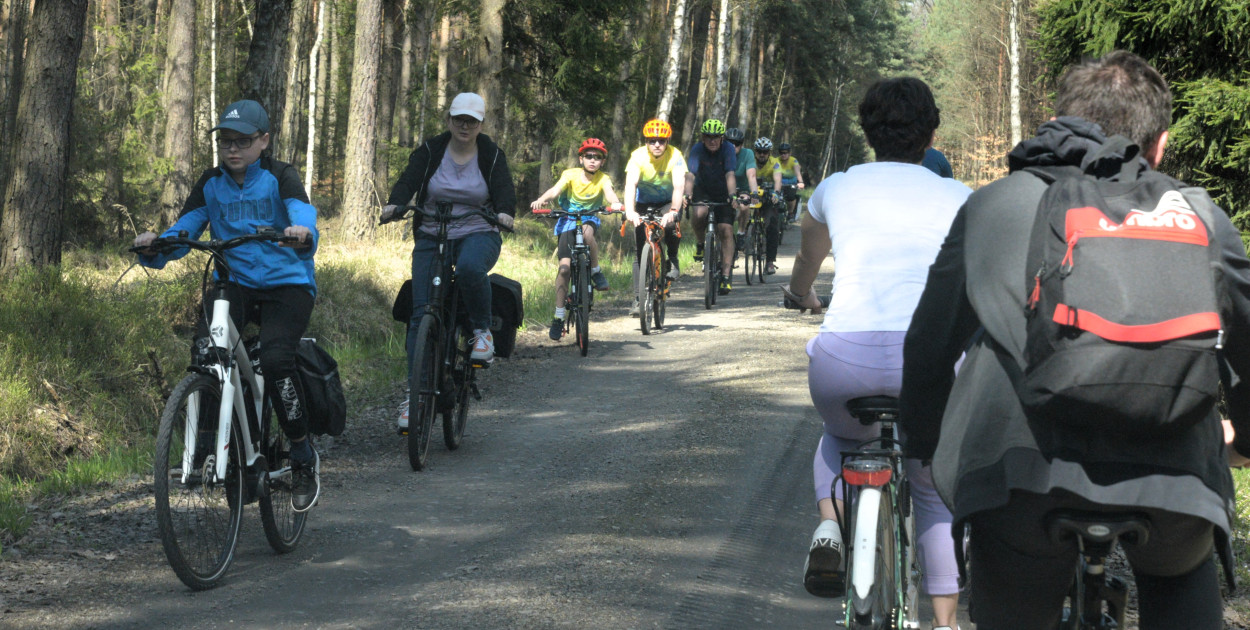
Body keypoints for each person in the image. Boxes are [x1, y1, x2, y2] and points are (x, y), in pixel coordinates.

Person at [899, 50, 1250, 629]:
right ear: (1159, 145)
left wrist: (924, 444)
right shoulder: (1198, 215)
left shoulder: (994, 204)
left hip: (1022, 476)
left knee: (1013, 588)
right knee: (1181, 574)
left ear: (1062, 120)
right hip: (1174, 480)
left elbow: (931, 344)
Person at [786, 78, 971, 630]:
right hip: (932, 364)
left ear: (867, 132)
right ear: (932, 133)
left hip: (847, 361)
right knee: (932, 484)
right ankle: (946, 624)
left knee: (840, 437)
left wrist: (801, 296)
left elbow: (806, 263)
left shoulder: (835, 188)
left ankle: (828, 525)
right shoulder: (959, 196)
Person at [134, 99, 323, 513]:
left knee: (275, 360)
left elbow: (302, 212)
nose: (233, 149)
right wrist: (157, 245)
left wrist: (301, 233)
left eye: (243, 141)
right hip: (234, 282)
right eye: (225, 141)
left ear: (264, 141)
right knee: (206, 352)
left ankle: (301, 452)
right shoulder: (211, 182)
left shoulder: (280, 175)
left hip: (286, 284)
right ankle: (209, 447)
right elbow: (186, 226)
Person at [382, 92, 516, 430]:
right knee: (421, 313)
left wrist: (505, 213)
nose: (465, 125)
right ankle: (415, 395)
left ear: (481, 123)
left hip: (477, 232)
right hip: (432, 232)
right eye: (459, 119)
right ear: (450, 120)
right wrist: (395, 204)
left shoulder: (491, 153)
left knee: (471, 268)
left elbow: (504, 188)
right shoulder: (431, 150)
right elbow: (409, 179)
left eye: (471, 120)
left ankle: (481, 332)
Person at [529, 138, 623, 341]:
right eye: (588, 156)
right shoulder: (569, 174)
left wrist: (615, 204)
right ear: (581, 158)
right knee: (564, 269)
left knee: (588, 235)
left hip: (588, 217)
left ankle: (596, 272)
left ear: (602, 162)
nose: (592, 160)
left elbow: (610, 194)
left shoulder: (603, 179)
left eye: (597, 157)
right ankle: (559, 315)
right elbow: (556, 190)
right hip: (567, 220)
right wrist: (543, 199)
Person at [623, 118, 687, 317]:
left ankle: (673, 260)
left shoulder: (675, 156)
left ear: (667, 141)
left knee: (669, 226)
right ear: (646, 142)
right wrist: (630, 211)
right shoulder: (637, 157)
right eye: (652, 141)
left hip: (668, 201)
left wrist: (674, 211)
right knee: (639, 248)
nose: (657, 144)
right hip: (643, 203)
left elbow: (678, 186)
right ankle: (638, 298)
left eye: (661, 140)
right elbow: (630, 185)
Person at [685, 119, 738, 295]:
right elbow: (691, 175)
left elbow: (730, 173)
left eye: (716, 137)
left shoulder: (728, 149)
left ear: (722, 138)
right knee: (699, 213)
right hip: (703, 190)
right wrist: (687, 194)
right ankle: (701, 244)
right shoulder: (697, 149)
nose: (712, 141)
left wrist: (732, 196)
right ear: (703, 137)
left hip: (723, 191)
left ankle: (725, 274)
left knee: (725, 230)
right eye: (708, 137)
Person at [753, 137, 785, 274]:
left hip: (769, 195)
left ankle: (770, 261)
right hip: (752, 194)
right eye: (759, 151)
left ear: (769, 153)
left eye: (765, 152)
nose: (762, 154)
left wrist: (776, 193)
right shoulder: (750, 161)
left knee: (772, 225)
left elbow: (778, 179)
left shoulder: (775, 163)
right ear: (755, 152)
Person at [725, 127, 757, 254]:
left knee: (744, 205)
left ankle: (741, 232)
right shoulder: (720, 153)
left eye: (737, 144)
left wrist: (754, 193)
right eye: (729, 143)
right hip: (725, 189)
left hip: (743, 188)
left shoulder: (748, 153)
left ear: (742, 144)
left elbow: (751, 175)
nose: (733, 146)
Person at [775, 142, 805, 222]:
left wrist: (801, 182)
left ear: (789, 153)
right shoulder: (776, 160)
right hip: (779, 182)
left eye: (785, 153)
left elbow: (798, 172)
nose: (783, 155)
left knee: (791, 197)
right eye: (781, 153)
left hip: (791, 182)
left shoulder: (793, 160)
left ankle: (790, 213)